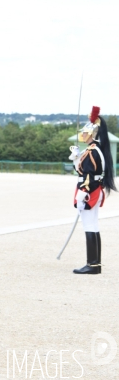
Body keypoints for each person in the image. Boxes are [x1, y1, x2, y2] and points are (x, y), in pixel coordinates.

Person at [70, 106, 116, 274]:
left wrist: (82, 195)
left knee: (89, 225)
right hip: (94, 189)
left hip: (89, 192)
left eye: (84, 133)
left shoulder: (92, 152)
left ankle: (92, 264)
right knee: (93, 225)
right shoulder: (95, 150)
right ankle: (95, 264)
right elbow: (82, 170)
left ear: (91, 134)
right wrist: (76, 158)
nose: (82, 135)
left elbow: (87, 176)